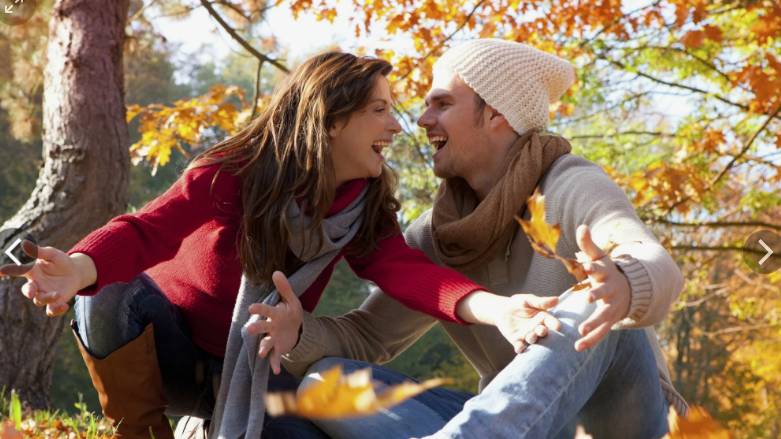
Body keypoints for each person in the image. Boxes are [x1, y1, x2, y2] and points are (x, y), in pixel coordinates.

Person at [0, 51, 561, 439]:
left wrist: (500, 308)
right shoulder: (234, 173)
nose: (398, 125)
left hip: (254, 368)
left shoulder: (362, 208)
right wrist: (79, 266)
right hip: (168, 348)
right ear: (332, 119)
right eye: (379, 110)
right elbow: (150, 229)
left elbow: (409, 272)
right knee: (107, 290)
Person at [270, 39, 688, 439]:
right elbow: (367, 336)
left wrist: (622, 281)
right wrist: (297, 334)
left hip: (619, 420)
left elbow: (652, 258)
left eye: (443, 104)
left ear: (497, 115)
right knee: (327, 385)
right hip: (514, 425)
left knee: (593, 299)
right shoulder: (440, 232)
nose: (422, 119)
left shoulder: (568, 182)